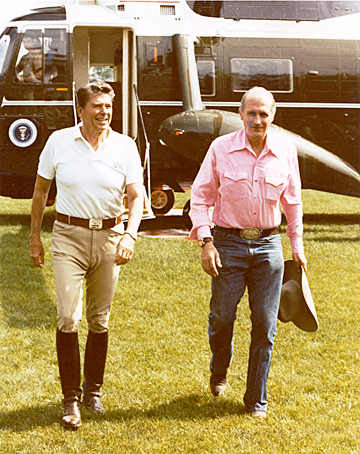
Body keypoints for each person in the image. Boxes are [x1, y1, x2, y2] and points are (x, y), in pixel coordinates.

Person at [29, 81, 144, 429]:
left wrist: (130, 235)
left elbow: (137, 197)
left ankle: (93, 391)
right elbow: (40, 190)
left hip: (110, 238)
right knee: (68, 317)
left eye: (108, 106)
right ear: (80, 110)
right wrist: (35, 237)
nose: (104, 112)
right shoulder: (58, 142)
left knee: (100, 319)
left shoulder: (125, 147)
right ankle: (71, 399)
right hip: (68, 237)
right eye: (96, 106)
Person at [189, 86, 307, 418]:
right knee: (221, 317)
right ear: (240, 114)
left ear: (273, 115)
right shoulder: (220, 149)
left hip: (269, 245)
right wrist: (206, 241)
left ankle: (256, 399)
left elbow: (293, 202)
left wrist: (296, 246)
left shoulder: (285, 150)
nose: (257, 120)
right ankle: (219, 369)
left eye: (263, 114)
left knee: (265, 323)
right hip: (227, 243)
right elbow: (200, 199)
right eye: (251, 113)